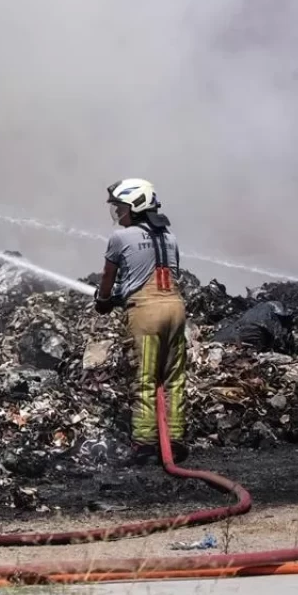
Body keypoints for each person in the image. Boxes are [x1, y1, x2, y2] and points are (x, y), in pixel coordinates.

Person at [93, 178, 190, 465]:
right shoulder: (170, 237)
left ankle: (146, 443)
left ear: (135, 206)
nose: (118, 213)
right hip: (175, 308)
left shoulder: (120, 238)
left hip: (146, 313)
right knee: (174, 377)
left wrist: (104, 301)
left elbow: (109, 278)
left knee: (146, 378)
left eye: (121, 207)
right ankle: (174, 439)